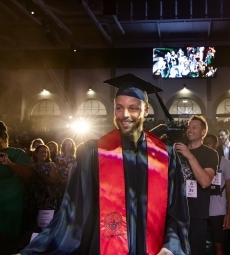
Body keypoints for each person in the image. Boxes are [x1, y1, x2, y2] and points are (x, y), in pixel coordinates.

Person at [19, 73, 190, 255]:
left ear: (146, 110)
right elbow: (72, 211)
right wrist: (34, 250)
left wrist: (170, 247)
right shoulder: (92, 152)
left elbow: (177, 212)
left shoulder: (166, 155)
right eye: (119, 108)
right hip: (105, 247)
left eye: (133, 108)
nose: (124, 115)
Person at [175, 115, 219, 255]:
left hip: (196, 214)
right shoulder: (177, 152)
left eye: (194, 127)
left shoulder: (210, 154)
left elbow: (205, 182)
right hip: (175, 213)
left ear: (203, 132)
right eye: (188, 126)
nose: (190, 130)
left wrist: (189, 156)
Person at [0, 121, 35, 255]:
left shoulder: (16, 153)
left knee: (9, 234)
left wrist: (10, 164)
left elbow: (29, 174)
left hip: (11, 201)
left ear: (3, 139)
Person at [203, 134, 230, 255]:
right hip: (201, 209)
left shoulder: (225, 163)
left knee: (219, 245)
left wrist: (229, 213)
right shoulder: (198, 161)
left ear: (216, 145)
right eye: (204, 143)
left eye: (209, 143)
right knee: (199, 244)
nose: (206, 145)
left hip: (219, 210)